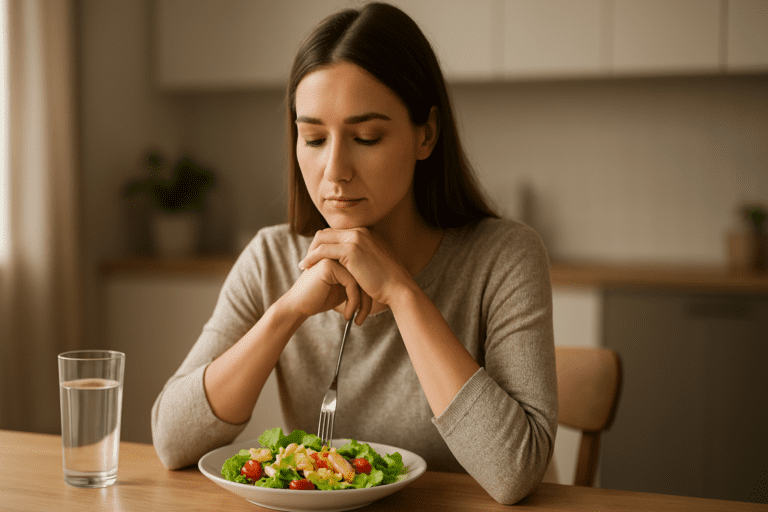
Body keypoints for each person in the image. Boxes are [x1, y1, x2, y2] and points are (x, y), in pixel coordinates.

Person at [151, 2, 557, 504]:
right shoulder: (271, 258)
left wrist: (402, 293)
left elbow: (513, 473)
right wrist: (288, 311)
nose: (334, 170)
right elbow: (171, 440)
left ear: (425, 134)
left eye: (366, 137)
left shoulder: (505, 257)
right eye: (315, 138)